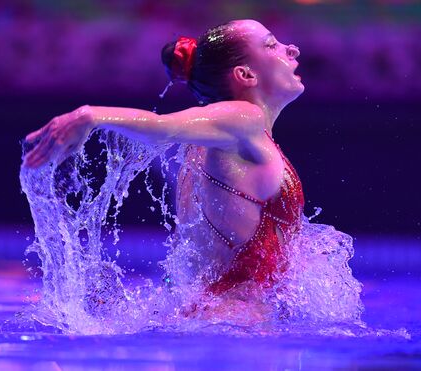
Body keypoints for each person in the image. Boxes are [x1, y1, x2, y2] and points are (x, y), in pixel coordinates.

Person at [23, 19, 305, 300]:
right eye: (271, 45)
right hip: (238, 328)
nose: (291, 49)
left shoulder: (215, 144)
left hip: (216, 321)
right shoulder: (246, 119)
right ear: (245, 75)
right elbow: (163, 127)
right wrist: (90, 115)